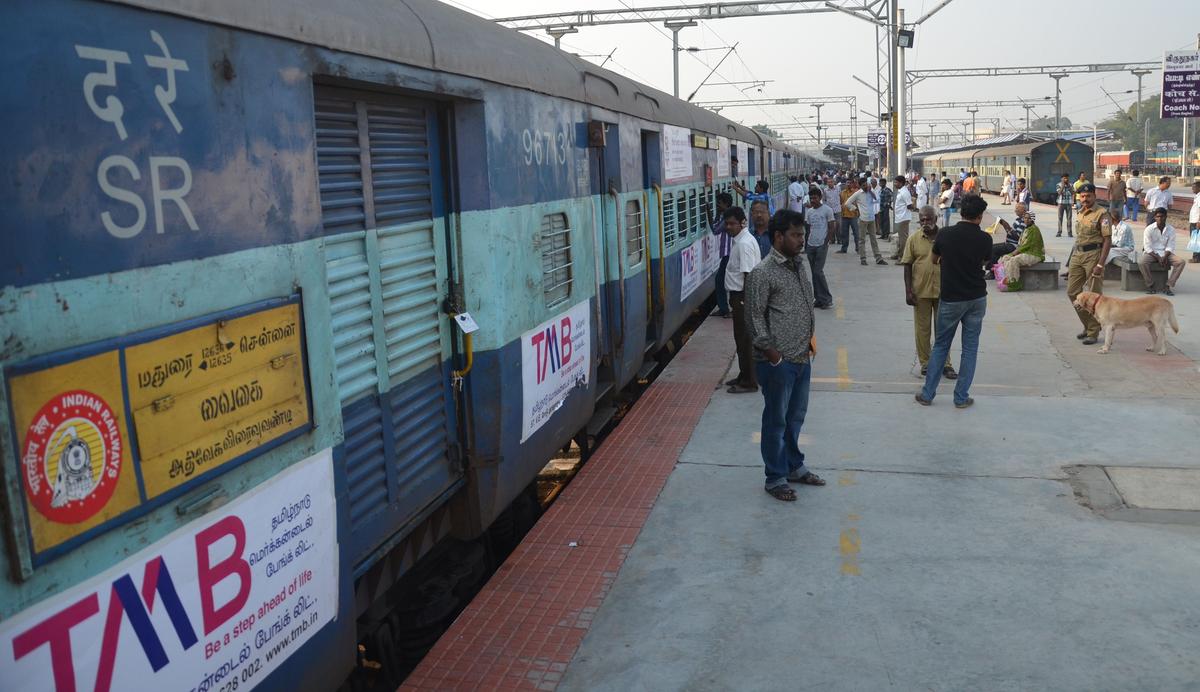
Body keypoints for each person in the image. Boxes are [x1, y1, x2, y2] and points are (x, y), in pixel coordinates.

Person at [744, 209, 823, 502]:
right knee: (776, 420)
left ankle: (793, 465)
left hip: (802, 357)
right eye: (795, 235)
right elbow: (753, 319)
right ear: (778, 237)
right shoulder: (762, 273)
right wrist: (773, 355)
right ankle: (775, 477)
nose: (801, 240)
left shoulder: (799, 264)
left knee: (795, 417)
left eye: (802, 235)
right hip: (778, 362)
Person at [915, 194, 993, 409]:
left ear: (961, 212)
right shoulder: (985, 239)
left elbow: (933, 259)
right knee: (970, 348)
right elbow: (985, 261)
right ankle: (960, 398)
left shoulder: (945, 235)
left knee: (941, 345)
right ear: (979, 216)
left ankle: (927, 394)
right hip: (976, 298)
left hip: (950, 299)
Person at [902, 206, 957, 379]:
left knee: (944, 330)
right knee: (922, 330)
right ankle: (925, 363)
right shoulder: (913, 239)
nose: (925, 222)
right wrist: (908, 291)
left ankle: (945, 364)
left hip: (944, 291)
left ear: (936, 217)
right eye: (922, 219)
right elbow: (907, 265)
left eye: (928, 218)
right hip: (921, 292)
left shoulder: (946, 238)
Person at [1066, 183, 1111, 345]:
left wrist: (1100, 264)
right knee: (1073, 293)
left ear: (1094, 196)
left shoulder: (1102, 214)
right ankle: (1087, 324)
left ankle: (1093, 331)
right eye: (1082, 196)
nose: (1085, 199)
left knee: (1093, 296)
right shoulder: (1080, 212)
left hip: (1094, 255)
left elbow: (1107, 240)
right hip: (1077, 255)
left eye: (1088, 196)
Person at [724, 206, 760, 393]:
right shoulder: (741, 240)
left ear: (742, 223)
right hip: (739, 297)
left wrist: (746, 302)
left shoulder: (744, 244)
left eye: (732, 224)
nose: (728, 227)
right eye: (727, 223)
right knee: (741, 339)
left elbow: (749, 275)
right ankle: (744, 374)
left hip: (742, 297)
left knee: (744, 340)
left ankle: (749, 381)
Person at [1139, 207, 1186, 296]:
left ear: (1166, 217)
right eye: (1158, 217)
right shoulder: (1149, 229)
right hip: (1152, 253)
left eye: (1162, 217)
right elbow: (1147, 247)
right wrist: (1158, 257)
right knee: (1142, 262)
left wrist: (1164, 256)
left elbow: (1170, 245)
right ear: (1155, 217)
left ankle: (1168, 286)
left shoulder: (1171, 229)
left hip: (1166, 253)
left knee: (1181, 262)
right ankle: (1150, 285)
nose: (1160, 219)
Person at [804, 186, 836, 309]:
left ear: (820, 198)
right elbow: (808, 228)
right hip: (811, 245)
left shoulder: (827, 210)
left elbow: (832, 227)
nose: (813, 200)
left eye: (815, 198)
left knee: (818, 272)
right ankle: (818, 299)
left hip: (821, 245)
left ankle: (827, 299)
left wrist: (825, 242)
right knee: (814, 273)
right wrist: (806, 243)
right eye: (811, 198)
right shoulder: (810, 212)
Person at [844, 178, 887, 265]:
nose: (865, 186)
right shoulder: (857, 194)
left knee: (873, 239)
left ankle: (878, 258)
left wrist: (870, 191)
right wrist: (855, 209)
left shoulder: (871, 192)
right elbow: (847, 203)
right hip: (863, 219)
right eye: (863, 185)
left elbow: (877, 200)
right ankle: (863, 258)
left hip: (871, 218)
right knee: (862, 240)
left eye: (866, 184)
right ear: (860, 186)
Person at [997, 209, 1045, 286]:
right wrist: (1013, 253)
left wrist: (1014, 253)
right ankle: (1007, 279)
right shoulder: (1026, 229)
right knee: (1005, 257)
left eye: (1028, 218)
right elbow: (1020, 244)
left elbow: (1027, 245)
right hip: (1025, 252)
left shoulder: (1034, 229)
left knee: (1014, 260)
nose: (1026, 220)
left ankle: (1014, 282)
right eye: (1025, 218)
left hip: (1035, 254)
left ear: (1032, 219)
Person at [711, 192, 734, 317]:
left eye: (719, 203)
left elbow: (715, 230)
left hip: (728, 253)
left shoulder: (727, 217)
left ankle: (726, 308)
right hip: (728, 253)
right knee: (723, 280)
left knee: (721, 280)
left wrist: (710, 215)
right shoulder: (728, 214)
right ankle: (724, 308)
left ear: (726, 204)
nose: (717, 206)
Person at [890, 175, 916, 262]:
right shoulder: (901, 191)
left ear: (901, 183)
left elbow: (909, 205)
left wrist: (914, 206)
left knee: (903, 239)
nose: (894, 184)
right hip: (900, 217)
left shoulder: (904, 192)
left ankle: (903, 257)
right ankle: (899, 254)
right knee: (901, 238)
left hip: (904, 218)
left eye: (896, 182)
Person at [837, 178, 861, 254]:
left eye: (850, 183)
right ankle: (844, 248)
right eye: (847, 183)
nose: (848, 184)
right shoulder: (842, 193)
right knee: (844, 233)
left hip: (853, 215)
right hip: (844, 215)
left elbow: (858, 203)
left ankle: (858, 248)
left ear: (852, 184)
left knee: (856, 233)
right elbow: (841, 202)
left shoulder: (856, 193)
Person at [1190, 180, 1200, 263]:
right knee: (1195, 238)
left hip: (1196, 221)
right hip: (1194, 220)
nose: (1192, 189)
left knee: (1196, 239)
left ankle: (1196, 258)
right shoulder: (1197, 196)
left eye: (1194, 187)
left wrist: (1198, 221)